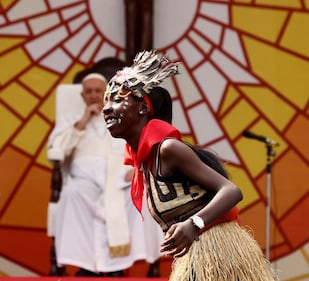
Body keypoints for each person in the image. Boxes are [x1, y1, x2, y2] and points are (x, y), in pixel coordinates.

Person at [102, 49, 277, 280]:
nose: (106, 108)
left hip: (218, 253)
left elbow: (231, 191)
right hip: (195, 257)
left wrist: (194, 224)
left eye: (117, 100)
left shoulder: (168, 150)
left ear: (143, 108)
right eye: (106, 101)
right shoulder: (145, 162)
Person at [47, 73, 164, 277]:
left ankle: (116, 265)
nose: (93, 95)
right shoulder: (71, 120)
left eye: (98, 91)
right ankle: (87, 266)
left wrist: (134, 170)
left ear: (106, 94)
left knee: (136, 195)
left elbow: (137, 147)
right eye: (89, 92)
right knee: (71, 194)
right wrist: (83, 122)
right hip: (84, 184)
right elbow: (56, 152)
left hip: (119, 180)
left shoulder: (122, 116)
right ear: (82, 96)